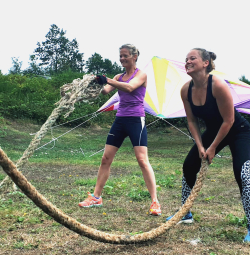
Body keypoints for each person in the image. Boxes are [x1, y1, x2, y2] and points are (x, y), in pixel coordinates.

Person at [166, 48, 250, 242]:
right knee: (189, 166)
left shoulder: (218, 85)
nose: (187, 61)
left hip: (238, 130)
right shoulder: (186, 90)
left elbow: (228, 121)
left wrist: (212, 148)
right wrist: (200, 145)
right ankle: (185, 213)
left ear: (205, 63)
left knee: (244, 173)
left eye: (192, 58)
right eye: (186, 59)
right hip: (214, 130)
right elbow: (192, 121)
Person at [78, 44, 161, 216]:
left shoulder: (141, 75)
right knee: (106, 158)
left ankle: (155, 201)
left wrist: (108, 79)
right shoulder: (118, 76)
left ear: (134, 56)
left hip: (136, 120)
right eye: (120, 56)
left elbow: (130, 87)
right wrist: (96, 82)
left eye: (125, 56)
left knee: (142, 160)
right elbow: (106, 91)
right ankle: (96, 197)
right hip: (120, 120)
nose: (122, 59)